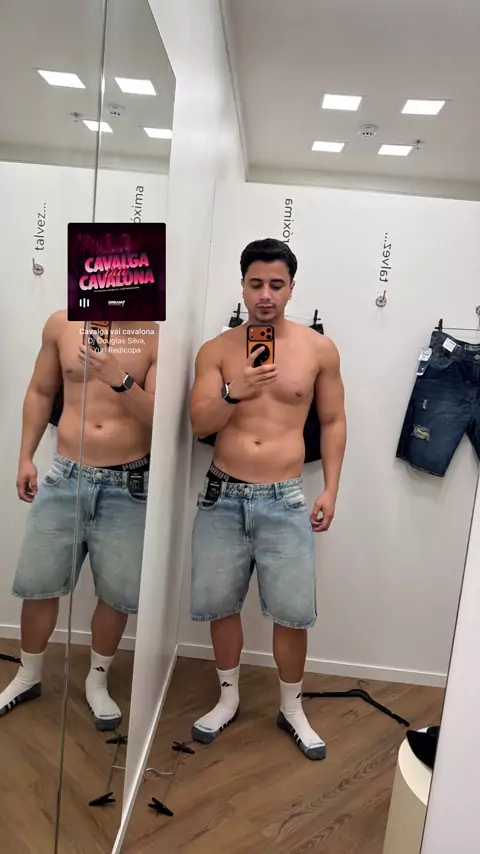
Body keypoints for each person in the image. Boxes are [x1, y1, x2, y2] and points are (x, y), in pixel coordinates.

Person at [189, 238, 346, 760]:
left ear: (291, 288)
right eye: (255, 283)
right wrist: (234, 390)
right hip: (222, 494)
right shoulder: (216, 350)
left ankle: (292, 707)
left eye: (276, 285)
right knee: (220, 604)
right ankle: (227, 698)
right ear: (242, 285)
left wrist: (331, 488)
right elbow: (199, 424)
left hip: (285, 497)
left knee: (292, 612)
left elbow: (332, 421)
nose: (265, 295)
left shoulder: (318, 349)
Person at [0, 311, 158, 730]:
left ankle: (97, 680)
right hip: (65, 474)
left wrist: (119, 378)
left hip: (128, 482)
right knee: (39, 582)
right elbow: (40, 391)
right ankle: (28, 675)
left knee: (117, 592)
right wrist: (25, 457)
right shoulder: (61, 323)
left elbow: (159, 418)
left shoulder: (153, 334)